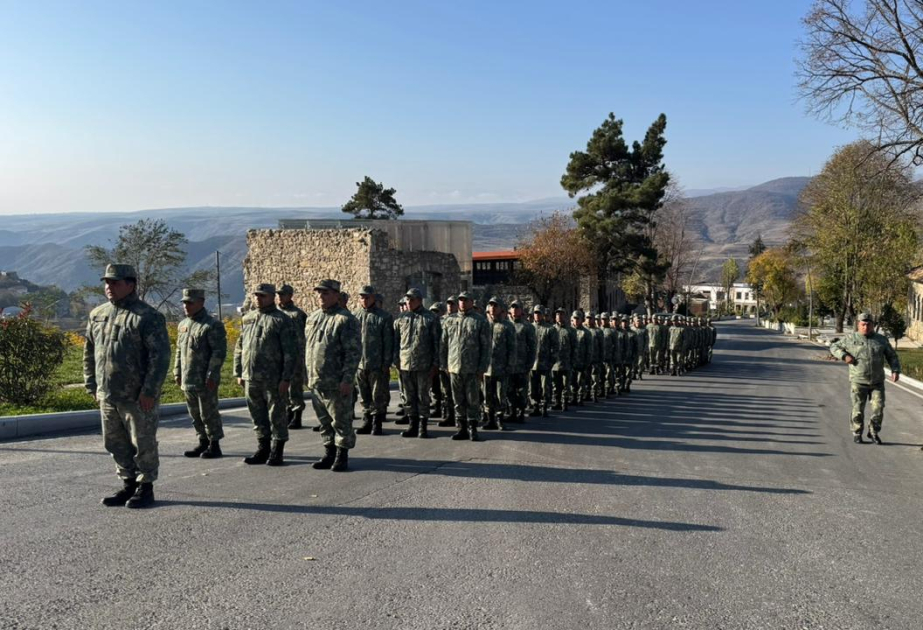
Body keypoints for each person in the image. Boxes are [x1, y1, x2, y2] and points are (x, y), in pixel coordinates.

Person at [84, 264, 170, 509]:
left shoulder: (148, 317)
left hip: (136, 395)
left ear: (130, 285)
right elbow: (89, 352)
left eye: (115, 282)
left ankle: (146, 487)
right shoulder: (98, 314)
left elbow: (160, 357)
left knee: (143, 442)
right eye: (107, 282)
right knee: (114, 442)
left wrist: (150, 391)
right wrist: (92, 384)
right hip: (108, 393)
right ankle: (128, 483)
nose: (109, 287)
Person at [234, 283, 297, 466]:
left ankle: (277, 450)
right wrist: (239, 371)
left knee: (276, 414)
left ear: (271, 297)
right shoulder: (248, 318)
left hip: (273, 378)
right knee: (257, 415)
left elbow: (290, 352)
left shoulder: (281, 320)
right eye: (256, 295)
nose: (258, 299)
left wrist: (286, 378)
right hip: (251, 376)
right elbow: (240, 346)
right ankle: (263, 448)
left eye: (262, 296)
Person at [305, 279, 361, 471]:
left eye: (326, 293)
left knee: (341, 420)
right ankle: (329, 452)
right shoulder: (313, 318)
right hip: (317, 381)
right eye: (319, 293)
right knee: (324, 422)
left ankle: (341, 455)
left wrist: (347, 380)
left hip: (336, 382)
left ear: (337, 295)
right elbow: (309, 349)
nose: (321, 296)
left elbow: (353, 353)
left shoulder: (346, 320)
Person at [829, 312, 901, 444]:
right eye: (863, 324)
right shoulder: (851, 339)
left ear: (873, 325)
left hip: (877, 382)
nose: (865, 327)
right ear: (858, 325)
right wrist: (844, 356)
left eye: (868, 324)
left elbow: (892, 356)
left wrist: (895, 370)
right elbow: (834, 347)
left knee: (878, 409)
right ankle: (857, 432)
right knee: (858, 409)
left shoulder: (881, 340)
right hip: (859, 381)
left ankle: (873, 432)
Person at [175, 288, 227, 459]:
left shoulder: (212, 325)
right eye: (184, 303)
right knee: (194, 413)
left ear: (201, 302)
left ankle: (214, 444)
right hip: (188, 377)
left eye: (190, 302)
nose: (186, 306)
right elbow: (179, 350)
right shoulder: (183, 325)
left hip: (204, 379)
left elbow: (218, 352)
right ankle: (202, 441)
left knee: (208, 413)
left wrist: (212, 375)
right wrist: (177, 371)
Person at [440, 291, 490, 441]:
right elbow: (444, 344)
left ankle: (473, 428)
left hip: (472, 368)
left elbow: (485, 347)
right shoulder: (450, 320)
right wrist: (444, 365)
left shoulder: (480, 321)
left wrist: (482, 368)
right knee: (458, 399)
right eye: (460, 300)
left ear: (471, 302)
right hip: (454, 366)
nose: (462, 302)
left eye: (465, 300)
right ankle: (461, 428)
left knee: (472, 399)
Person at [393, 288, 441, 438]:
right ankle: (412, 425)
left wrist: (435, 364)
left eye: (412, 299)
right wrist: (396, 361)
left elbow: (437, 343)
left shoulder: (430, 318)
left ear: (420, 300)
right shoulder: (401, 319)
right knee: (408, 396)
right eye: (407, 299)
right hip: (405, 364)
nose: (409, 302)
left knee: (423, 397)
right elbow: (395, 342)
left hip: (424, 365)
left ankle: (423, 426)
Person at [354, 285, 394, 436]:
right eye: (362, 297)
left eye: (367, 297)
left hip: (377, 363)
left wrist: (386, 363)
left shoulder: (383, 317)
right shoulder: (355, 316)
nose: (364, 300)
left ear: (373, 298)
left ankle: (377, 423)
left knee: (377, 395)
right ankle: (367, 421)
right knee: (364, 395)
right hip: (360, 363)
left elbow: (388, 342)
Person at [277, 284, 308, 430]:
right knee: (282, 388)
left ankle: (297, 415)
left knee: (295, 388)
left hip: (295, 356)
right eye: (279, 294)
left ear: (290, 296)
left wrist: (301, 357)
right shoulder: (275, 314)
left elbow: (302, 337)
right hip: (279, 357)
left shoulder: (298, 314)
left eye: (283, 294)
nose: (280, 297)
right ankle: (287, 412)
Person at [483, 297, 516, 430]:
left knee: (500, 394)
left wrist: (510, 365)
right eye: (491, 305)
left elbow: (512, 348)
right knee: (487, 394)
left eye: (495, 305)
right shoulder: (483, 324)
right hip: (486, 367)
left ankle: (500, 419)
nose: (493, 308)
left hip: (502, 367)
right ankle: (490, 419)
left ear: (501, 308)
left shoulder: (507, 326)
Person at [508, 299, 536, 421]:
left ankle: (521, 412)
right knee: (509, 389)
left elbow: (532, 347)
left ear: (521, 310)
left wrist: (529, 364)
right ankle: (512, 411)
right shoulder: (506, 325)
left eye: (517, 308)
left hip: (521, 365)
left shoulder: (527, 327)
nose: (514, 310)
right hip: (509, 365)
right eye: (513, 308)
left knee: (521, 390)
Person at [530, 305, 559, 417]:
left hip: (544, 364)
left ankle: (544, 406)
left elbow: (555, 347)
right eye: (535, 313)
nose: (537, 315)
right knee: (533, 387)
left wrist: (551, 362)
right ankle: (535, 406)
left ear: (543, 315)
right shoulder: (530, 328)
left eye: (539, 313)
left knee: (545, 387)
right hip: (532, 364)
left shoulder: (550, 329)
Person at [551, 307, 574, 410]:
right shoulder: (552, 329)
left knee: (565, 384)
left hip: (566, 362)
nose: (559, 316)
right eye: (557, 314)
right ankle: (557, 401)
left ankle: (565, 401)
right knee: (556, 384)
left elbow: (574, 347)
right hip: (554, 363)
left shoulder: (570, 330)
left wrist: (573, 361)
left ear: (565, 316)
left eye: (561, 314)